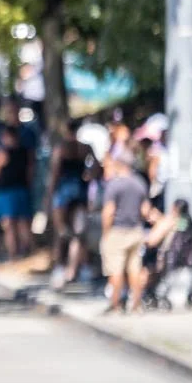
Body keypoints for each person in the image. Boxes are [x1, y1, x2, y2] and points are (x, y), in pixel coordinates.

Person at [48, 119, 99, 286]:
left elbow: (55, 173)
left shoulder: (60, 148)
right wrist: (88, 175)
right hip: (80, 190)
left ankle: (60, 268)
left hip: (63, 191)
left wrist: (49, 195)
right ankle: (75, 268)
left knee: (61, 231)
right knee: (79, 233)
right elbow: (96, 167)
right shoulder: (86, 148)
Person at [99, 152, 150, 313]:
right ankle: (136, 305)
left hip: (117, 231)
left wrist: (105, 233)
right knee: (134, 269)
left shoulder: (114, 185)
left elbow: (109, 211)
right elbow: (145, 210)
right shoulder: (140, 183)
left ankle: (115, 305)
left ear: (119, 164)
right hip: (136, 231)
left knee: (116, 270)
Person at [0, 123, 35, 259]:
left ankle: (20, 253)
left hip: (10, 191)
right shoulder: (25, 152)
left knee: (16, 224)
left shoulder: (3, 154)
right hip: (15, 190)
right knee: (15, 223)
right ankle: (18, 253)